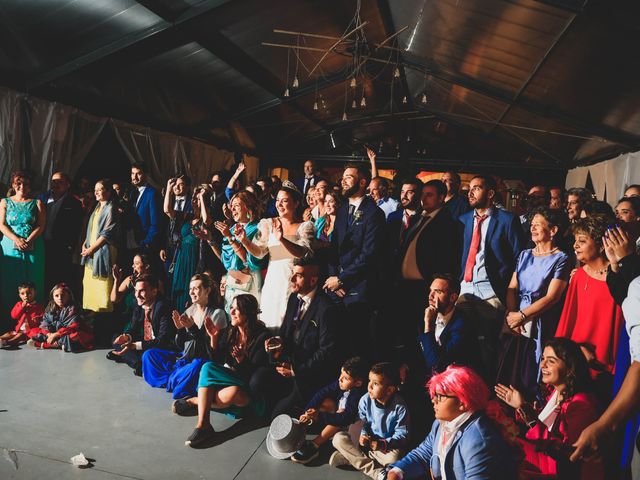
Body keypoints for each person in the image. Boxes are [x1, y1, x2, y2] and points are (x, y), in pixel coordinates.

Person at [496, 338, 605, 479]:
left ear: (569, 368)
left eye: (551, 361)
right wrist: (525, 410)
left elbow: (569, 454)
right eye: (543, 359)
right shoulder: (556, 392)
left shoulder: (581, 405)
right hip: (548, 460)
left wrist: (527, 413)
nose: (542, 365)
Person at [385, 365, 517, 480]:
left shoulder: (478, 441)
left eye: (440, 396)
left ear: (462, 402)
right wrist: (397, 472)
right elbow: (423, 453)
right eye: (433, 395)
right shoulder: (441, 424)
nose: (433, 400)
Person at [251, 258, 342, 419]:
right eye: (292, 274)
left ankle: (318, 407)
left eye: (298, 275)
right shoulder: (294, 298)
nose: (291, 279)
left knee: (277, 418)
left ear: (313, 280)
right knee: (257, 381)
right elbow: (286, 332)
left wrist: (295, 371)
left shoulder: (326, 309)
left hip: (307, 373)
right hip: (287, 363)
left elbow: (326, 352)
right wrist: (277, 342)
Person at [496, 207, 571, 401]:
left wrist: (523, 315)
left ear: (553, 230)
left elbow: (552, 297)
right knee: (510, 365)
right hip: (516, 319)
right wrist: (513, 315)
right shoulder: (524, 255)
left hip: (541, 320)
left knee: (533, 367)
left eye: (538, 225)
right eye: (531, 225)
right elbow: (512, 288)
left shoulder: (561, 259)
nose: (533, 229)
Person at [457, 175, 524, 381]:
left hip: (491, 291)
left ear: (490, 193)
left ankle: (487, 389)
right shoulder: (464, 219)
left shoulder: (507, 220)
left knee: (487, 346)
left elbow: (518, 257)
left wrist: (508, 288)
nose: (470, 192)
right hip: (465, 287)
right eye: (469, 188)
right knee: (461, 341)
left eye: (476, 188)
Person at [180, 294, 270, 448]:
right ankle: (203, 424)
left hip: (251, 393)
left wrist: (242, 360)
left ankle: (197, 405)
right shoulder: (231, 331)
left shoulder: (263, 336)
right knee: (231, 390)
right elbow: (218, 360)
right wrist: (214, 338)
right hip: (236, 392)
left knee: (207, 369)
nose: (232, 312)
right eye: (231, 308)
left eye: (236, 309)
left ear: (247, 312)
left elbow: (257, 378)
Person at [325, 163, 386, 359]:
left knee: (358, 344)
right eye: (343, 177)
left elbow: (370, 254)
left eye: (349, 177)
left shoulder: (374, 214)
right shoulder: (342, 210)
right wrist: (334, 276)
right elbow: (333, 248)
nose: (343, 180)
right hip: (337, 288)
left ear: (362, 182)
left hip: (360, 288)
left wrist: (342, 279)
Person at [394, 180, 462, 349]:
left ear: (441, 198)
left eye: (429, 195)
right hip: (405, 286)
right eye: (422, 195)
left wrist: (434, 287)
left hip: (425, 287)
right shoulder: (419, 218)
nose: (424, 199)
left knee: (421, 334)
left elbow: (446, 259)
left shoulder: (447, 223)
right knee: (405, 334)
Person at [555, 215, 624, 373]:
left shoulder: (617, 278)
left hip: (605, 360)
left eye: (582, 241)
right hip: (577, 355)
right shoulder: (578, 275)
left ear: (601, 245)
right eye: (575, 240)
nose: (575, 245)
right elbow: (568, 317)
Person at [142, 274, 227, 400]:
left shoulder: (217, 314)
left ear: (207, 290)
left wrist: (193, 329)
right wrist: (180, 330)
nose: (192, 292)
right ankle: (176, 378)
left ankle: (177, 378)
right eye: (190, 289)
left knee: (198, 365)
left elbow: (209, 350)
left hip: (203, 359)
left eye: (196, 289)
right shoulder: (189, 311)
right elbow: (181, 346)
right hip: (185, 357)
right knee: (149, 355)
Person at [244, 181, 314, 329]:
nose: (279, 204)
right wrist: (244, 240)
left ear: (295, 203)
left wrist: (281, 239)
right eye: (277, 200)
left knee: (288, 322)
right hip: (273, 280)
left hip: (292, 281)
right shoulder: (268, 223)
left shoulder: (304, 226)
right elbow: (260, 252)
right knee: (268, 321)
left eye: (285, 200)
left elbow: (302, 253)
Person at [330, 362, 409, 479]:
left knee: (395, 458)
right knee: (338, 439)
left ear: (389, 390)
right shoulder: (365, 400)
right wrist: (363, 435)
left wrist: (382, 444)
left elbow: (403, 435)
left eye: (375, 383)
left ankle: (352, 459)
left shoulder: (400, 407)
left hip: (383, 448)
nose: (369, 386)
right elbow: (361, 423)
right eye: (369, 381)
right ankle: (377, 473)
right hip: (365, 444)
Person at [291, 356, 369, 464]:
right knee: (325, 402)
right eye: (341, 374)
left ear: (358, 383)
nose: (340, 379)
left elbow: (345, 418)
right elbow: (322, 393)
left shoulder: (357, 395)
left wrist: (318, 416)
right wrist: (308, 411)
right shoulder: (343, 384)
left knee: (340, 414)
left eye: (345, 378)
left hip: (353, 425)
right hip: (342, 417)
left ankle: (314, 444)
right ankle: (305, 428)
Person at [203, 190, 266, 310]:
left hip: (248, 283)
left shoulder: (258, 228)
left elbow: (247, 261)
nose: (233, 209)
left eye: (236, 205)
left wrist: (229, 237)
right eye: (231, 206)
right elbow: (225, 259)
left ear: (248, 206)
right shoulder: (231, 229)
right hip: (232, 282)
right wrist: (210, 240)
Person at [106, 275, 175, 376]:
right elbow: (133, 327)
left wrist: (135, 345)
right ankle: (138, 363)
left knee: (146, 353)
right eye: (136, 291)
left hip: (162, 346)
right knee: (116, 338)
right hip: (147, 342)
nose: (137, 295)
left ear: (154, 292)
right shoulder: (140, 304)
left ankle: (131, 359)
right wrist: (126, 336)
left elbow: (162, 340)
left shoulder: (164, 307)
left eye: (142, 291)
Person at [0, 170, 46, 320]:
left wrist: (29, 239)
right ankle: (10, 318)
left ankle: (34, 319)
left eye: (25, 183)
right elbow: (1, 225)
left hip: (33, 245)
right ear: (13, 185)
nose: (22, 186)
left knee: (34, 278)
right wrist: (16, 239)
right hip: (10, 245)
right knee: (9, 279)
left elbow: (41, 225)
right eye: (18, 183)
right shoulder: (4, 202)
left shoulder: (37, 203)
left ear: (30, 186)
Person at [419, 274, 480, 376]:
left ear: (452, 297)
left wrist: (428, 326)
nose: (430, 296)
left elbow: (437, 364)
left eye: (438, 292)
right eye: (431, 291)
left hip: (452, 380)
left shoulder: (462, 325)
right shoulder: (426, 313)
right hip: (426, 376)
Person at [167, 183, 212, 311]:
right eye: (194, 198)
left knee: (191, 293)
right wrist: (169, 188)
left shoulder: (208, 218)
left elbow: (206, 221)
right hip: (181, 259)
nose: (194, 201)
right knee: (178, 292)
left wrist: (202, 198)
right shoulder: (187, 216)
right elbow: (167, 210)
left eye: (198, 199)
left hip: (194, 260)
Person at [38, 171, 83, 295]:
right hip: (41, 244)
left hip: (61, 246)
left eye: (60, 182)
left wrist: (70, 246)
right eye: (53, 181)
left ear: (67, 185)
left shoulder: (74, 203)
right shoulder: (42, 198)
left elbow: (76, 227)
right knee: (42, 275)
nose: (55, 184)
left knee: (59, 278)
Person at [81, 179, 120, 313]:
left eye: (100, 189)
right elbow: (92, 230)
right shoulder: (97, 207)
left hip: (103, 251)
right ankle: (92, 313)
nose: (96, 192)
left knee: (103, 284)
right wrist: (85, 245)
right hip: (91, 251)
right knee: (90, 283)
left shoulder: (111, 208)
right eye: (95, 189)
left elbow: (107, 233)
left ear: (108, 191)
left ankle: (103, 313)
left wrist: (92, 249)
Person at [28, 283, 93, 351]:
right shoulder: (50, 308)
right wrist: (48, 334)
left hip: (67, 332)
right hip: (54, 333)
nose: (60, 298)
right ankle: (58, 342)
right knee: (33, 331)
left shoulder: (73, 308)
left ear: (69, 296)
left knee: (75, 335)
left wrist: (57, 334)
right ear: (53, 297)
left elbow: (73, 327)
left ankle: (49, 345)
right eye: (56, 296)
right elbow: (45, 323)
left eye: (63, 295)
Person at [160, 175, 192, 275]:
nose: (176, 187)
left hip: (184, 246)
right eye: (174, 184)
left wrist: (168, 190)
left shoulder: (193, 203)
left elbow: (168, 211)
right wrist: (163, 247)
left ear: (188, 187)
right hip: (169, 248)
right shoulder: (168, 200)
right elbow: (164, 226)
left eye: (180, 184)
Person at [0, 282, 44, 348]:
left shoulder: (38, 306)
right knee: (10, 334)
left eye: (29, 293)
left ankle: (6, 343)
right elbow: (14, 315)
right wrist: (22, 307)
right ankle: (1, 338)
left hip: (29, 332)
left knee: (19, 336)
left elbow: (43, 317)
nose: (25, 295)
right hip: (19, 329)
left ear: (34, 293)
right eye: (22, 293)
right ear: (19, 295)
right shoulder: (19, 304)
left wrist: (38, 318)